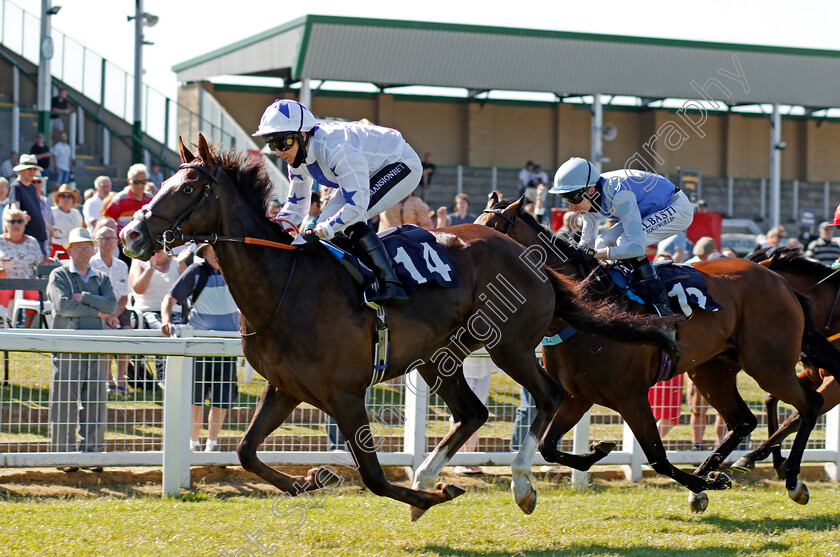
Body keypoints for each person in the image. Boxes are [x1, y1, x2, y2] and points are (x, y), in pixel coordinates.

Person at [252, 99, 423, 305]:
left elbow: (356, 206)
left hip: (400, 163)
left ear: (302, 135)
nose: (278, 152)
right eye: (272, 144)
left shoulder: (336, 148)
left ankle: (392, 283)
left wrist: (321, 231)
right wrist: (273, 229)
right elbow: (296, 206)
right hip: (368, 170)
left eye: (282, 143)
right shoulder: (297, 157)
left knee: (345, 220)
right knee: (327, 223)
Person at [549, 157, 694, 316]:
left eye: (572, 197)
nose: (570, 206)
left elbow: (637, 248)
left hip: (676, 207)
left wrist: (595, 255)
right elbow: (587, 246)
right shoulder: (591, 197)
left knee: (624, 242)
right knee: (603, 242)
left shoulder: (619, 194)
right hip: (649, 210)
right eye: (565, 198)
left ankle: (660, 301)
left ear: (591, 189)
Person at [46, 227, 116, 472]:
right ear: (69, 250)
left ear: (93, 248)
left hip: (96, 346)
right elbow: (63, 306)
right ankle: (62, 456)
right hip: (67, 346)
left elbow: (111, 305)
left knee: (96, 400)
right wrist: (95, 310)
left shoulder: (102, 277)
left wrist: (85, 297)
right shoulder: (59, 275)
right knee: (64, 401)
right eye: (78, 246)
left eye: (87, 246)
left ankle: (93, 454)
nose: (84, 251)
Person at [161, 244, 240, 452]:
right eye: (211, 250)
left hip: (228, 346)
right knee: (195, 397)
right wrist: (166, 320)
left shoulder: (236, 270)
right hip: (199, 345)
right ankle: (194, 443)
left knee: (222, 399)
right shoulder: (195, 271)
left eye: (218, 249)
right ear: (203, 254)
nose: (216, 254)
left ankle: (212, 444)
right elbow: (169, 298)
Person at [89, 226, 131, 393]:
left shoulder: (122, 265)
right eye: (103, 238)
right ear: (97, 242)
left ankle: (120, 379)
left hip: (118, 311)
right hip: (98, 312)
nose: (108, 241)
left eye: (111, 238)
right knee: (107, 333)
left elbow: (125, 296)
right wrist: (107, 315)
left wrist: (115, 314)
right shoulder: (91, 264)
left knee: (128, 336)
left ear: (117, 241)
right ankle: (108, 379)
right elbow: (91, 294)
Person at [0, 208, 47, 327]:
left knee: (33, 295)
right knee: (2, 294)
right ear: (6, 224)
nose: (16, 224)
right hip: (5, 281)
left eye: (19, 221)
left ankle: (26, 328)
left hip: (27, 281)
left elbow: (40, 263)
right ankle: (4, 326)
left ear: (24, 223)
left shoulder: (32, 242)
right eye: (12, 221)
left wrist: (35, 276)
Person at [452, 358, 495, 475]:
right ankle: (458, 460)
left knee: (477, 415)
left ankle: (470, 459)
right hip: (463, 369)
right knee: (460, 414)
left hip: (484, 369)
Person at [8, 154, 49, 257]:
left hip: (40, 238)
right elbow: (14, 210)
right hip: (27, 241)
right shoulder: (15, 187)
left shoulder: (31, 187)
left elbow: (37, 212)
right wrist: (21, 215)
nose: (32, 171)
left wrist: (51, 228)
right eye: (29, 168)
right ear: (21, 170)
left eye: (34, 169)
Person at [103, 163, 154, 233]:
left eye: (143, 182)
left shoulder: (151, 199)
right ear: (128, 181)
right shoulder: (119, 199)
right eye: (136, 182)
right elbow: (106, 222)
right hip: (123, 242)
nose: (139, 185)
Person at [50, 184, 84, 253]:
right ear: (58, 198)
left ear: (72, 199)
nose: (66, 199)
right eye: (63, 196)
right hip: (55, 249)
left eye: (69, 196)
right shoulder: (51, 211)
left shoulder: (76, 213)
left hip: (73, 249)